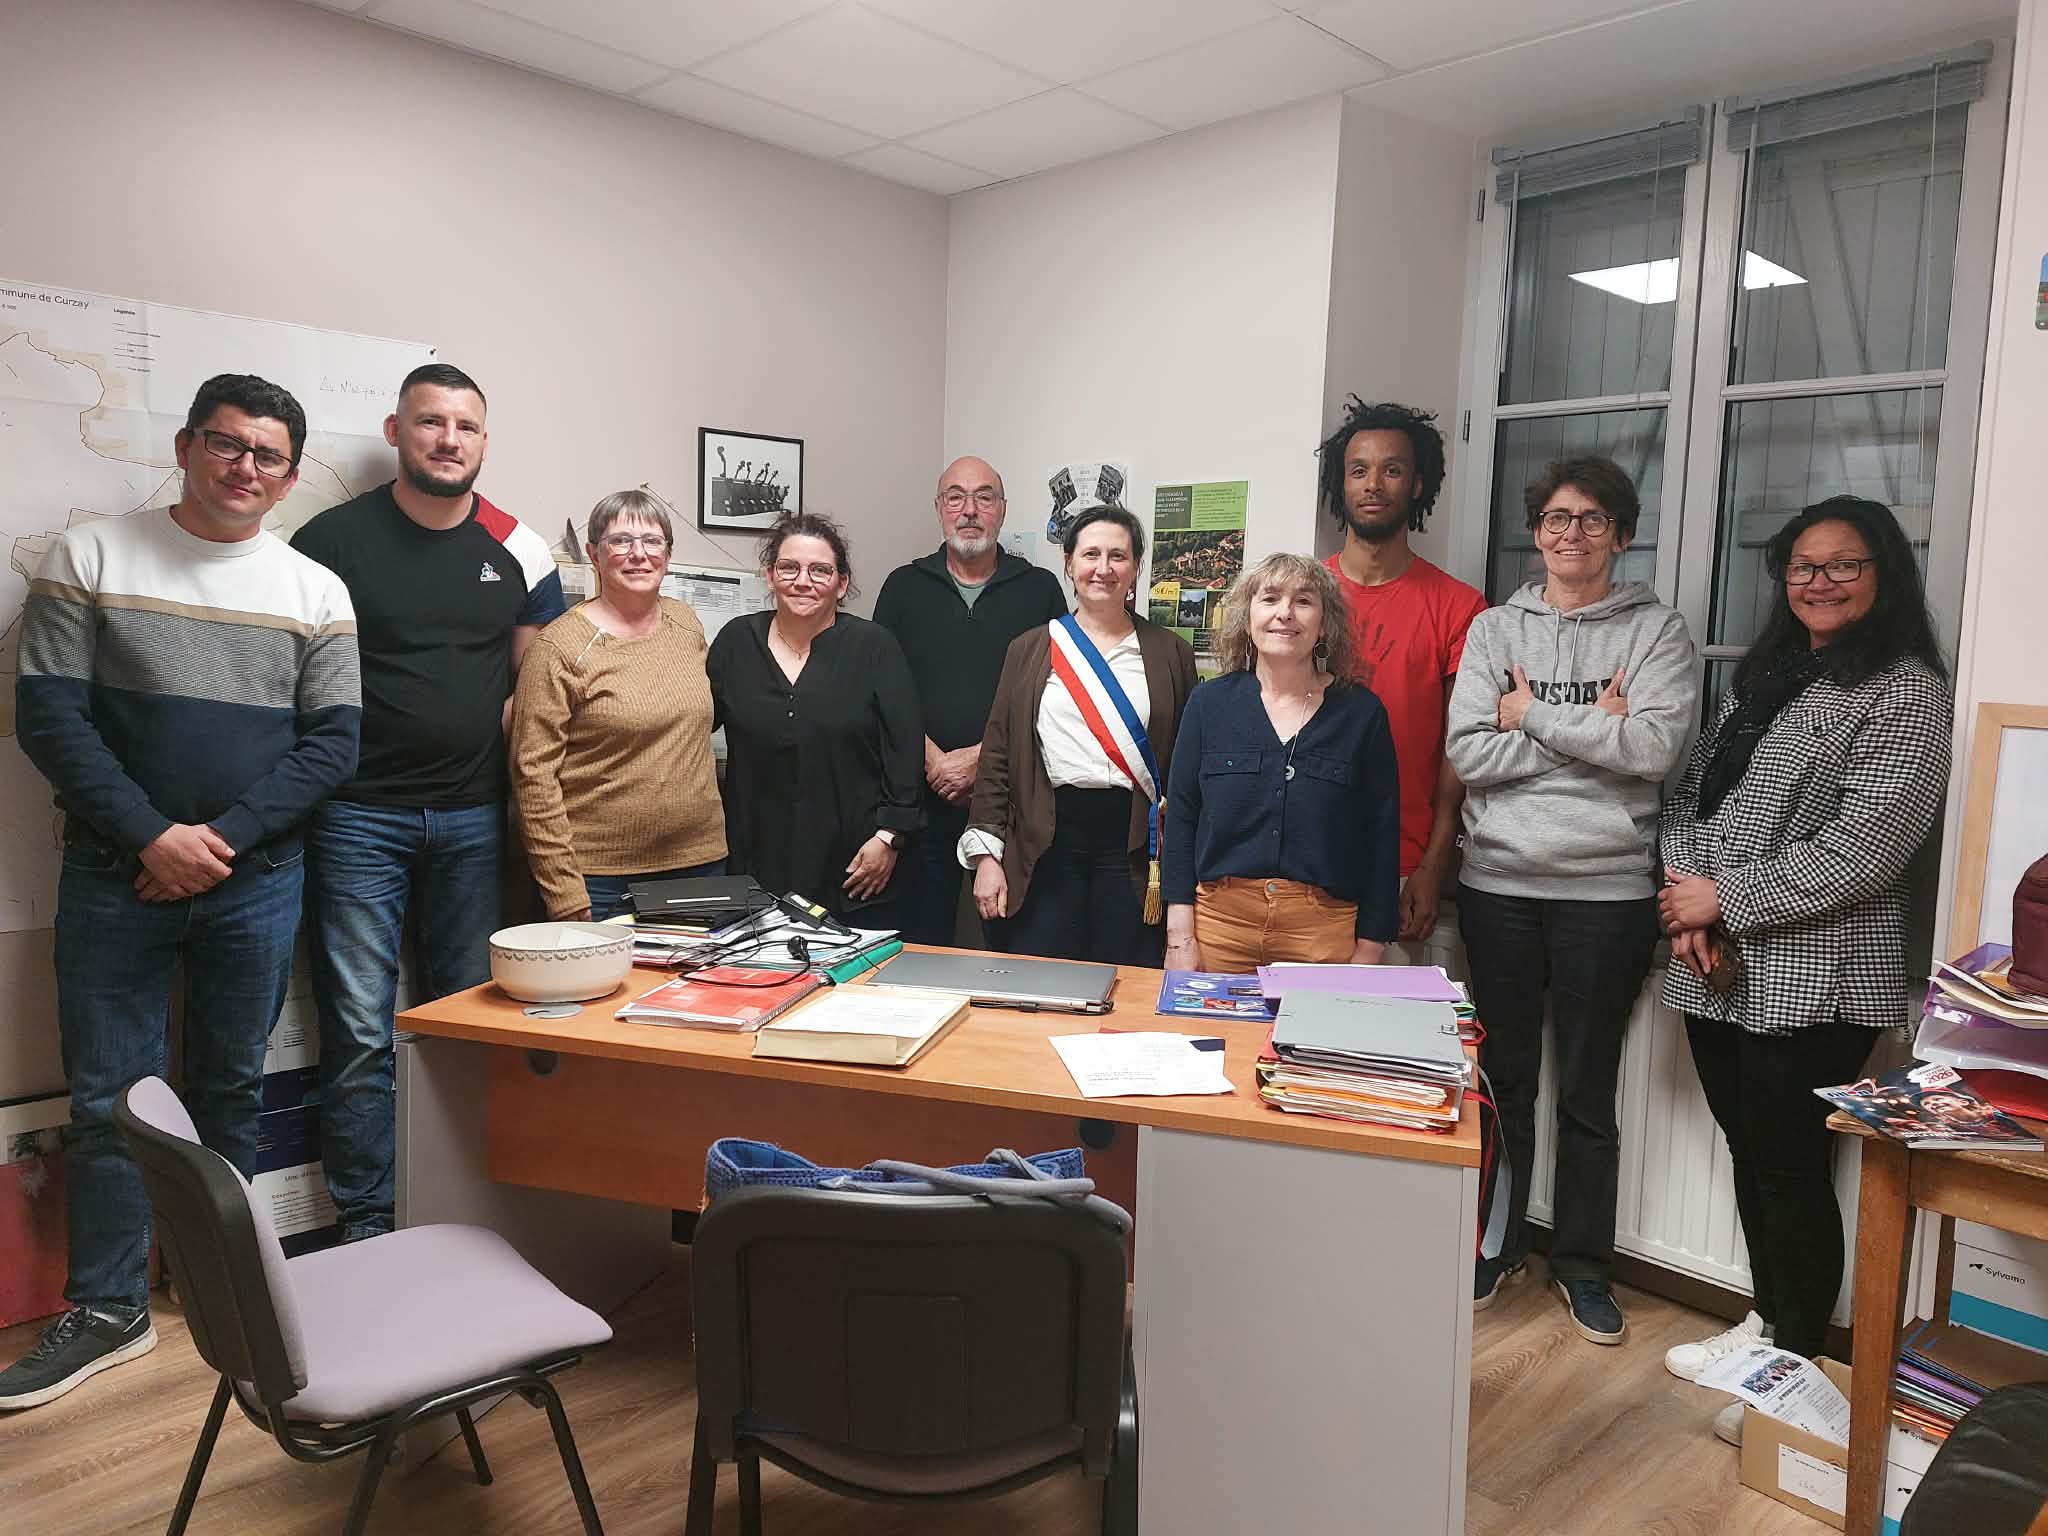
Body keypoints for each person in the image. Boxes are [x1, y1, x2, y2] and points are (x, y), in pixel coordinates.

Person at [1, 375, 359, 1409]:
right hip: (116, 874)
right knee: (111, 1101)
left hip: (258, 880)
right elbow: (51, 719)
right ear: (187, 446)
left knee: (229, 1091)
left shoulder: (314, 590)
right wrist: (152, 837)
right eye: (226, 444)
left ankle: (221, 1287)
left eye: (266, 455)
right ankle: (109, 1309)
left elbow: (333, 744)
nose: (244, 467)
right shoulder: (91, 556)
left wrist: (220, 843)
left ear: (288, 476)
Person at [1655, 496, 1951, 1446]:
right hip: (1716, 961)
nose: (1820, 582)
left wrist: (1721, 900)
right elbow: (1691, 795)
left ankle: (1794, 1379)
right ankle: (1766, 1324)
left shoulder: (1906, 691)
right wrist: (1688, 898)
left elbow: (1868, 849)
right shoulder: (1768, 676)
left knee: (1790, 1168)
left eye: (1843, 565)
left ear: (1882, 575)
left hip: (1819, 971)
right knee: (1750, 1151)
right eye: (1802, 567)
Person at [291, 363, 564, 1243]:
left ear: (484, 440)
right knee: (359, 1030)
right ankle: (369, 1220)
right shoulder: (330, 541)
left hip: (474, 818)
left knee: (466, 1019)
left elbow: (533, 693)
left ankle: (458, 1208)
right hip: (356, 816)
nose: (449, 440)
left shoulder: (518, 547)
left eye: (466, 426)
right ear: (395, 432)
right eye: (430, 422)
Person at [1444, 456, 1699, 1342]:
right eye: (1557, 518)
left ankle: (1585, 1267)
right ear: (1537, 532)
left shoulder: (1656, 631)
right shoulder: (1493, 630)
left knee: (1589, 1092)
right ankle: (1497, 1243)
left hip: (1608, 892)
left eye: (1593, 519)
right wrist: (1599, 730)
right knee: (1503, 1081)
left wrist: (1535, 717)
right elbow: (1469, 754)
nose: (1572, 534)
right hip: (1499, 884)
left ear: (1621, 536)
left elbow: (1656, 750)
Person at [962, 505, 1197, 966]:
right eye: (1091, 554)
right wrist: (987, 858)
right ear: (1069, 563)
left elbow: (1187, 770)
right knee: (1043, 981)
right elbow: (997, 760)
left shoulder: (1171, 653)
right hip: (1047, 843)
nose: (1103, 568)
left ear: (1136, 568)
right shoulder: (1030, 649)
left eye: (1118, 556)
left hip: (1135, 848)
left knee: (1127, 979)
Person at [1162, 554, 1400, 972]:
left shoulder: (1362, 715)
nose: (1285, 613)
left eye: (1303, 601)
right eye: (1270, 598)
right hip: (1219, 927)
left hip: (1323, 932)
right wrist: (1179, 938)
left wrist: (1370, 950)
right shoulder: (1208, 704)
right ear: (1247, 618)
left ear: (1324, 625)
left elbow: (1382, 836)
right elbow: (1181, 819)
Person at [874, 456, 1065, 946]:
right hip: (921, 800)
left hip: (1009, 802)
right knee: (923, 941)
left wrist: (982, 760)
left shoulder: (1039, 589)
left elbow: (1056, 695)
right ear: (939, 508)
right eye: (956, 497)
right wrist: (934, 761)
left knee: (1000, 940)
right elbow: (879, 691)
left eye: (984, 497)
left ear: (1002, 509)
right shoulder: (903, 587)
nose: (970, 510)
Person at [510, 489, 724, 920]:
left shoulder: (686, 624)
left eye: (652, 541)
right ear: (595, 554)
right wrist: (563, 889)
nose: (638, 554)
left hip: (699, 863)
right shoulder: (558, 647)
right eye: (621, 541)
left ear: (667, 554)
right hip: (600, 878)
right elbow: (533, 777)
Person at [1319, 398, 1488, 945]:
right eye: (1358, 471)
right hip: (1301, 860)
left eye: (1391, 470)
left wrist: (1434, 863)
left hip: (1402, 865)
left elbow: (1460, 749)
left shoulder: (1459, 607)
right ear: (1340, 483)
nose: (1373, 485)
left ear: (1417, 484)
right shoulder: (1299, 598)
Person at [706, 511, 921, 924]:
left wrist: (889, 838)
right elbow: (689, 725)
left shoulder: (874, 647)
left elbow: (905, 752)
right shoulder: (736, 642)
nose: (802, 581)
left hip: (855, 865)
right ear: (770, 576)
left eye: (820, 570)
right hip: (755, 862)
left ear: (841, 583)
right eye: (789, 568)